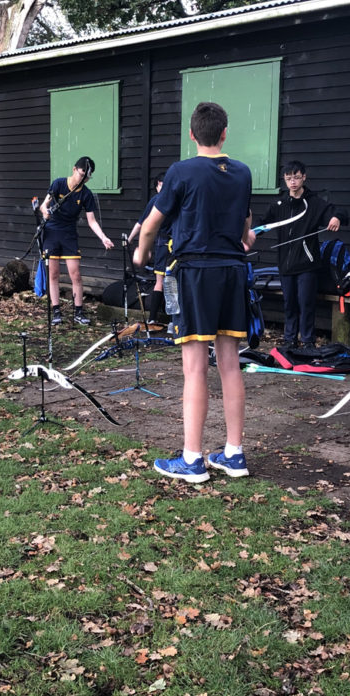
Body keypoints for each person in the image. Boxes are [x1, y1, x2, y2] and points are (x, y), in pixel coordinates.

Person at [134, 102, 253, 482]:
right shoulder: (243, 172)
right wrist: (243, 238)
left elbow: (153, 223)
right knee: (230, 362)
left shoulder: (181, 171)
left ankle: (192, 459)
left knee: (195, 367)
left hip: (196, 274)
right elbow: (246, 228)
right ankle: (234, 454)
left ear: (192, 134)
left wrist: (142, 252)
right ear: (224, 133)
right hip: (234, 272)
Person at [255, 160, 343, 349]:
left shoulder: (314, 202)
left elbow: (337, 211)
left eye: (296, 177)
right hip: (286, 264)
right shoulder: (279, 204)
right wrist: (250, 233)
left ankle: (308, 341)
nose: (293, 182)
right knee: (289, 304)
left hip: (307, 264)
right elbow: (262, 224)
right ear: (285, 181)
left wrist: (336, 217)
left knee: (306, 303)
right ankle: (289, 341)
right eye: (289, 178)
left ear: (304, 177)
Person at [40, 156, 114, 325]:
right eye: (82, 174)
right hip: (52, 231)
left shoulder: (86, 194)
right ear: (74, 169)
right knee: (53, 273)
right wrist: (45, 211)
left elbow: (92, 220)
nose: (83, 179)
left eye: (87, 177)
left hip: (69, 234)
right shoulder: (58, 183)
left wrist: (103, 237)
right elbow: (44, 204)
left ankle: (78, 312)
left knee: (76, 274)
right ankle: (56, 310)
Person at [127, 175, 171, 324]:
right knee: (174, 282)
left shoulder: (157, 200)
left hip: (163, 242)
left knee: (161, 281)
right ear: (158, 184)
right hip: (178, 242)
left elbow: (142, 224)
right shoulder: (178, 198)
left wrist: (130, 239)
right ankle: (173, 322)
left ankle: (153, 319)